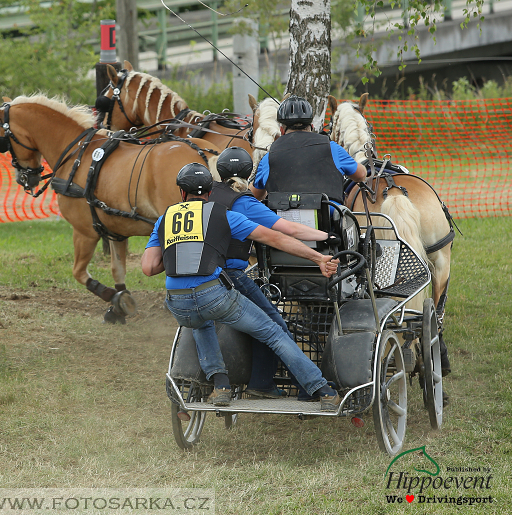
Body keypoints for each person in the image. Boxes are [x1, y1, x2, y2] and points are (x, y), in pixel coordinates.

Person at [142, 163, 342, 411]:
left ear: (182, 193)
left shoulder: (165, 218)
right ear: (210, 192)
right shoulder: (224, 215)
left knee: (200, 321)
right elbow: (276, 237)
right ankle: (321, 389)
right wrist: (318, 258)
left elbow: (149, 268)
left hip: (178, 304)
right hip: (213, 296)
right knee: (272, 332)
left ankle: (221, 384)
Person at [211, 147, 336, 399]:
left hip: (206, 276)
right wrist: (327, 235)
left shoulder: (207, 195)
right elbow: (289, 229)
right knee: (276, 327)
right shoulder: (243, 202)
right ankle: (307, 391)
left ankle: (261, 382)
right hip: (232, 276)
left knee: (260, 322)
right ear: (249, 173)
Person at [250, 95, 366, 204]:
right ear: (312, 127)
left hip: (284, 222)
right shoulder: (332, 148)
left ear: (281, 130)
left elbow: (255, 195)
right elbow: (361, 175)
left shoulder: (269, 157)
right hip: (328, 219)